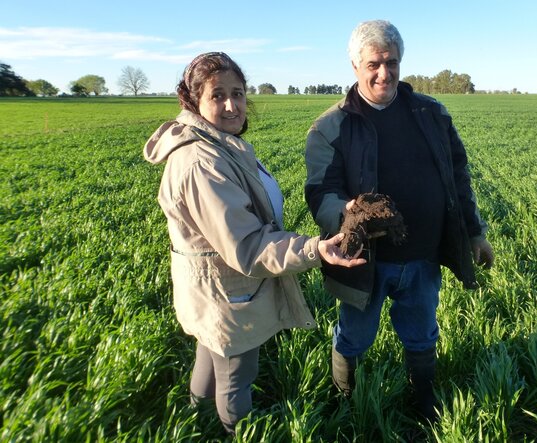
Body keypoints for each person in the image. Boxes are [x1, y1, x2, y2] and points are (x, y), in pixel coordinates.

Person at [143, 51, 365, 435]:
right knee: (236, 376)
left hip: (214, 286)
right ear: (194, 100)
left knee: (212, 356)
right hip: (228, 291)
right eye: (217, 95)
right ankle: (236, 430)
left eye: (238, 93)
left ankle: (194, 425)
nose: (231, 105)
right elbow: (246, 245)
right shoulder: (201, 161)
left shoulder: (219, 144)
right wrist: (315, 249)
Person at [304, 20, 494, 421]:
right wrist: (349, 211)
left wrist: (475, 233)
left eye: (391, 62)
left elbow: (457, 176)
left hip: (423, 254)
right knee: (354, 335)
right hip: (364, 259)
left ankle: (421, 401)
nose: (384, 73)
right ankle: (344, 400)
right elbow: (320, 193)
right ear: (355, 65)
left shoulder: (431, 113)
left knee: (421, 332)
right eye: (373, 63)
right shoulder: (329, 127)